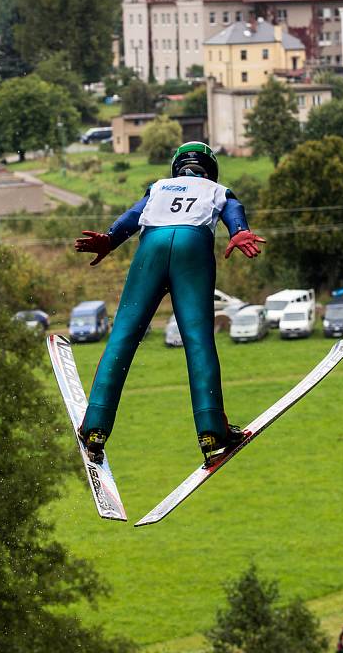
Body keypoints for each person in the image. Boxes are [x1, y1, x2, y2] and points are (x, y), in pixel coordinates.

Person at [74, 142, 265, 463]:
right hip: (193, 247)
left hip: (152, 247)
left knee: (123, 338)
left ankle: (95, 427)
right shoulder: (218, 189)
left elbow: (133, 216)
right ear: (211, 169)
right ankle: (212, 432)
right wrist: (239, 231)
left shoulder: (159, 187)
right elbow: (234, 211)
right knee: (198, 342)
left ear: (177, 167)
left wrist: (109, 239)